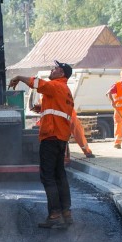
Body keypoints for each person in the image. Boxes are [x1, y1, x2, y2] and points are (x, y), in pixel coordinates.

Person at [9, 60, 75, 228]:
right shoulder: (65, 90)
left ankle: (54, 215)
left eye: (55, 68)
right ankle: (66, 213)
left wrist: (18, 77)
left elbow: (36, 83)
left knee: (48, 176)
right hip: (60, 137)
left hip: (51, 136)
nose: (52, 70)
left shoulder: (55, 86)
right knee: (60, 175)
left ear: (61, 73)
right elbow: (56, 108)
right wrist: (40, 107)